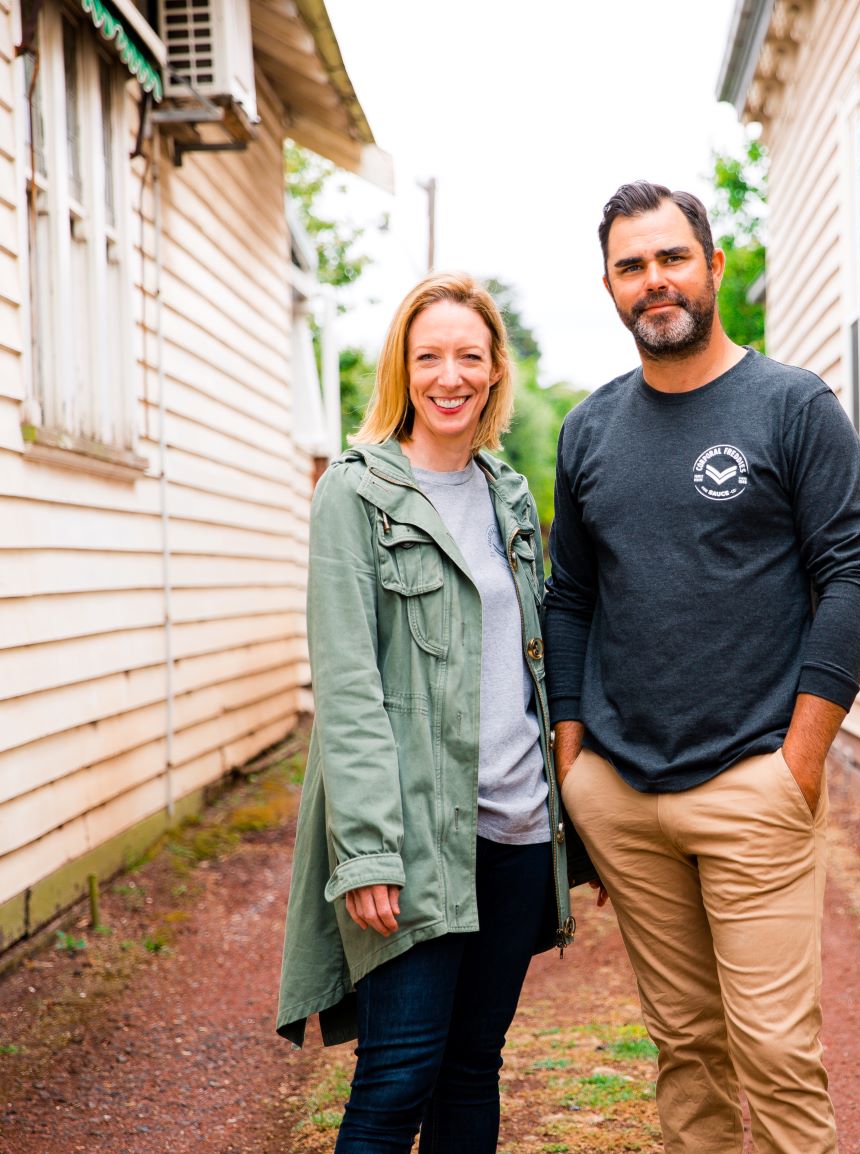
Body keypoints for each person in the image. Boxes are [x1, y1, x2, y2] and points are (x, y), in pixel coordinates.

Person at [544, 182, 860, 1154]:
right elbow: (571, 595)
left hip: (752, 785)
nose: (654, 281)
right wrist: (576, 767)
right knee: (685, 1045)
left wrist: (800, 763)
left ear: (713, 266)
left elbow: (852, 576)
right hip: (622, 793)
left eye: (670, 258)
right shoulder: (588, 430)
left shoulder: (792, 406)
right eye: (630, 265)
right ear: (609, 284)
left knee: (775, 1050)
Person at [276, 273, 575, 1154]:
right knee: (399, 1072)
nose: (450, 375)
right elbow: (348, 685)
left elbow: (533, 667)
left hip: (516, 831)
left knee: (473, 1067)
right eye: (430, 356)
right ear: (403, 371)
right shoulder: (355, 493)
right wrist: (366, 848)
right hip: (414, 839)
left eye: (469, 357)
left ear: (493, 375)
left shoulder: (510, 496)